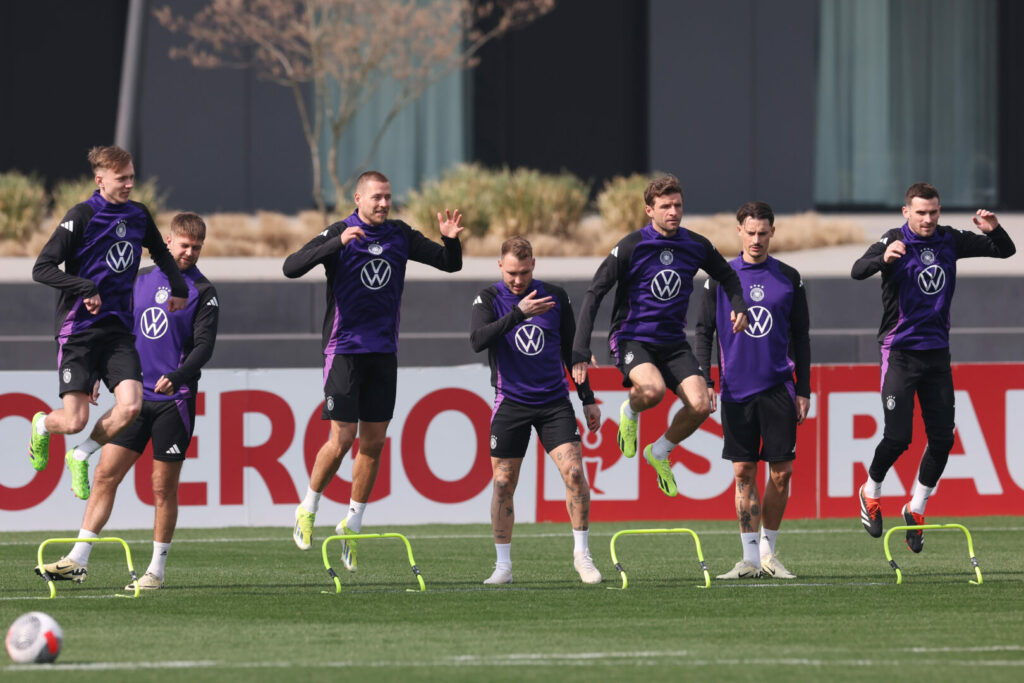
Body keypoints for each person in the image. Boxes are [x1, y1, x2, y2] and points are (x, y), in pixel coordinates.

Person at [285, 170, 464, 570]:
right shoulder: (340, 231)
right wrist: (335, 243)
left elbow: (449, 265)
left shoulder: (400, 234)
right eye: (376, 197)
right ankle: (308, 506)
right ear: (358, 199)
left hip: (383, 352)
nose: (383, 203)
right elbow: (291, 267)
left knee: (374, 443)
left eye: (387, 197)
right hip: (344, 350)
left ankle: (353, 523)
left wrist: (451, 239)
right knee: (343, 437)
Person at [36, 212, 219, 589]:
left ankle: (156, 571)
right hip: (134, 398)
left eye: (196, 247)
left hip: (175, 402)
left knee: (161, 488)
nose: (190, 253)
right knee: (105, 476)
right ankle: (77, 560)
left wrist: (180, 377)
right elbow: (115, 335)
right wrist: (99, 373)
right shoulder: (136, 283)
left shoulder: (204, 292)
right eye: (184, 245)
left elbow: (204, 347)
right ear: (167, 242)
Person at [852, 183, 1015, 552]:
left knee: (943, 439)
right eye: (921, 212)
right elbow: (857, 270)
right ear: (905, 211)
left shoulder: (949, 240)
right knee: (898, 438)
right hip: (900, 353)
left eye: (934, 212)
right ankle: (871, 490)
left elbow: (1006, 251)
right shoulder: (893, 239)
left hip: (937, 354)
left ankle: (916, 506)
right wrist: (884, 258)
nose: (927, 219)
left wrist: (994, 230)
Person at [571, 174, 749, 497]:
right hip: (632, 338)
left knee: (701, 405)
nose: (673, 212)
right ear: (648, 210)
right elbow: (594, 292)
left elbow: (728, 276)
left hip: (673, 343)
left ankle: (660, 451)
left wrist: (740, 306)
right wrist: (579, 348)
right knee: (650, 390)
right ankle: (629, 411)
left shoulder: (695, 245)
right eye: (665, 206)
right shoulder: (631, 246)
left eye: (678, 205)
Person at [30, 145, 187, 500]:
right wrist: (84, 286)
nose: (130, 183)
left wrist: (178, 286)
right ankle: (42, 423)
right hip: (79, 331)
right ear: (100, 180)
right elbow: (42, 268)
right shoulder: (82, 216)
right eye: (122, 178)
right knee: (73, 421)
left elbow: (159, 251)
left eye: (132, 176)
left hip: (118, 330)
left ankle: (81, 454)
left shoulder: (138, 215)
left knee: (131, 406)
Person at [470, 236, 603, 585]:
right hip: (510, 403)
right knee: (503, 483)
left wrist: (587, 398)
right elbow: (477, 341)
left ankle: (583, 556)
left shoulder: (555, 296)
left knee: (575, 474)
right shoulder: (489, 299)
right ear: (500, 266)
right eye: (512, 273)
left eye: (525, 273)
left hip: (554, 403)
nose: (518, 280)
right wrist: (519, 313)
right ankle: (503, 566)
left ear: (534, 266)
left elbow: (573, 353)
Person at [694, 201, 810, 580]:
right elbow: (703, 332)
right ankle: (747, 559)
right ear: (739, 231)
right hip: (735, 389)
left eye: (763, 232)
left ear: (772, 232)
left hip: (779, 388)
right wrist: (705, 380)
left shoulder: (789, 278)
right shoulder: (719, 278)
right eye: (750, 232)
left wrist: (803, 388)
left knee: (781, 473)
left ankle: (768, 553)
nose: (757, 239)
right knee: (743, 471)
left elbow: (801, 338)